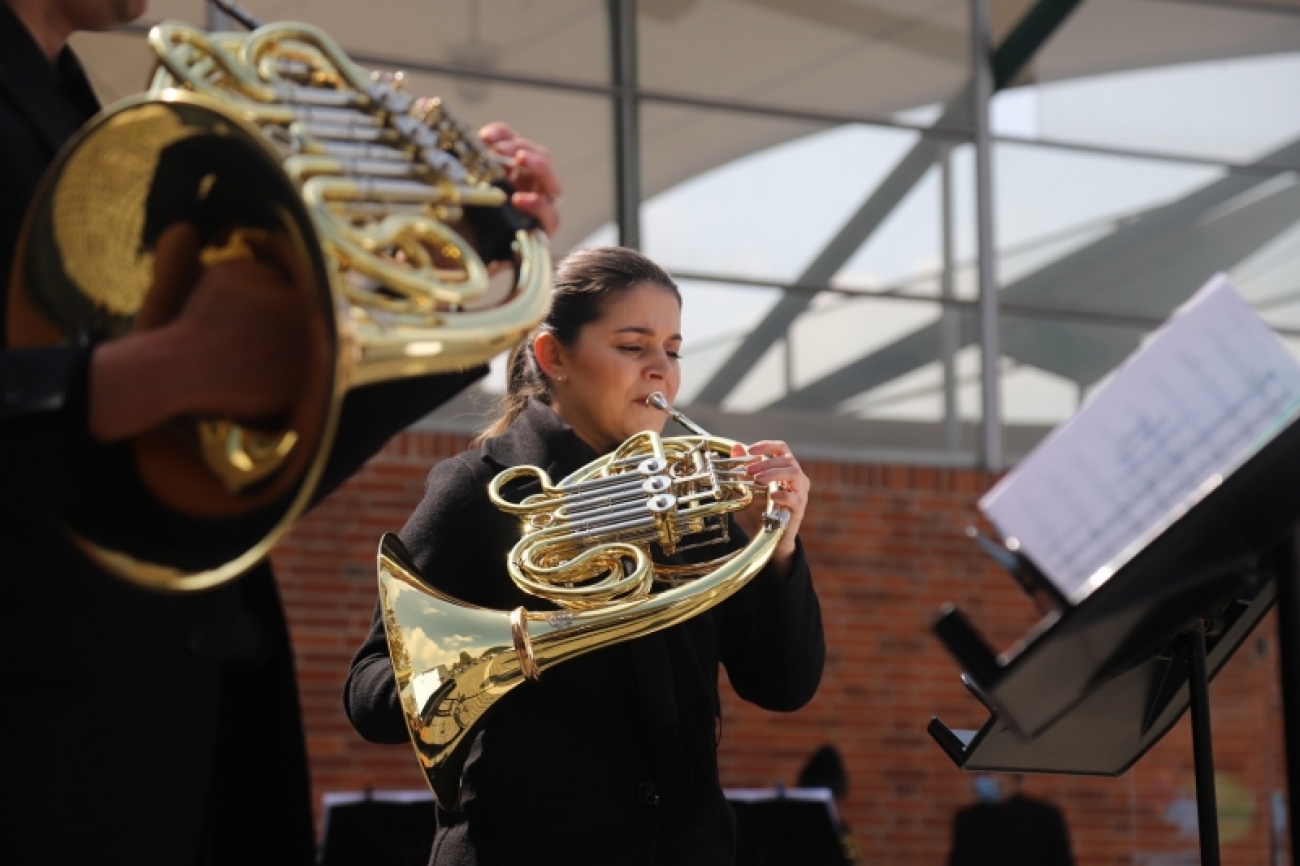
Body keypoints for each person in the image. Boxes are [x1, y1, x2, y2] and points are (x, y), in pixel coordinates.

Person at [0, 1, 560, 863]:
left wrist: (447, 263)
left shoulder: (75, 106)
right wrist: (150, 373)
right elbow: (147, 395)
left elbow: (224, 455)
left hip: (162, 732)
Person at [344, 246, 826, 865]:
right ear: (553, 356)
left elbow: (783, 685)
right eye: (633, 347)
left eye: (673, 350)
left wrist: (780, 547)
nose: (662, 372)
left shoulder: (691, 491)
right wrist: (505, 656)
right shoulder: (481, 487)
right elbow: (368, 693)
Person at [948, 774, 1075, 866]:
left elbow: (1061, 860)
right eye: (979, 773)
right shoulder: (968, 818)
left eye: (988, 773)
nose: (981, 780)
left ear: (1010, 776)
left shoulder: (1044, 815)